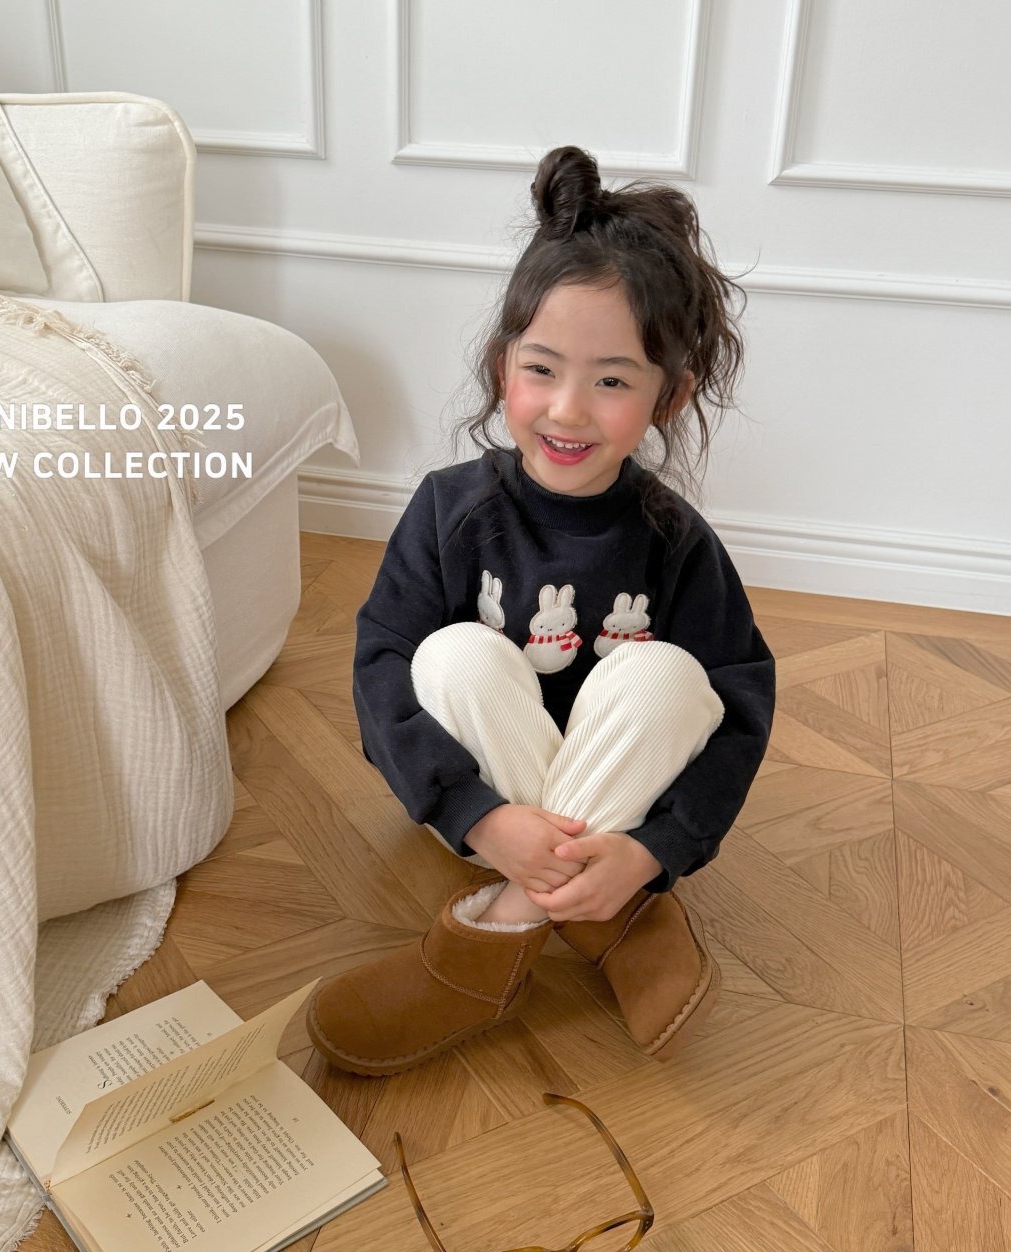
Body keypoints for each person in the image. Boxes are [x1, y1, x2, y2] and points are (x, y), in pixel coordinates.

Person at [306, 144, 776, 1077]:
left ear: (668, 396)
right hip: (478, 813)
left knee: (670, 676)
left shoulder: (676, 539)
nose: (568, 410)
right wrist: (483, 818)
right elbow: (382, 673)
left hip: (619, 825)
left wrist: (650, 852)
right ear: (502, 366)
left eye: (613, 380)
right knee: (450, 654)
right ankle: (611, 923)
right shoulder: (448, 510)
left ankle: (499, 935)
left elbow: (738, 704)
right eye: (542, 369)